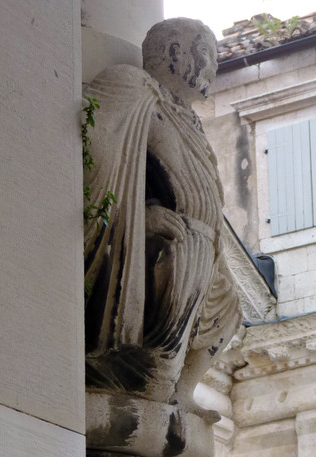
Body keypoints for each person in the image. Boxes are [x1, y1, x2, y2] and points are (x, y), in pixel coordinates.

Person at [83, 19, 241, 410]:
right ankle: (155, 379)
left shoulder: (189, 119)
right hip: (165, 238)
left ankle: (180, 392)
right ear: (175, 52)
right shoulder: (132, 87)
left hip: (200, 242)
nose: (212, 68)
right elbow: (100, 160)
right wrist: (139, 219)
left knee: (231, 305)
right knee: (188, 254)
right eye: (207, 55)